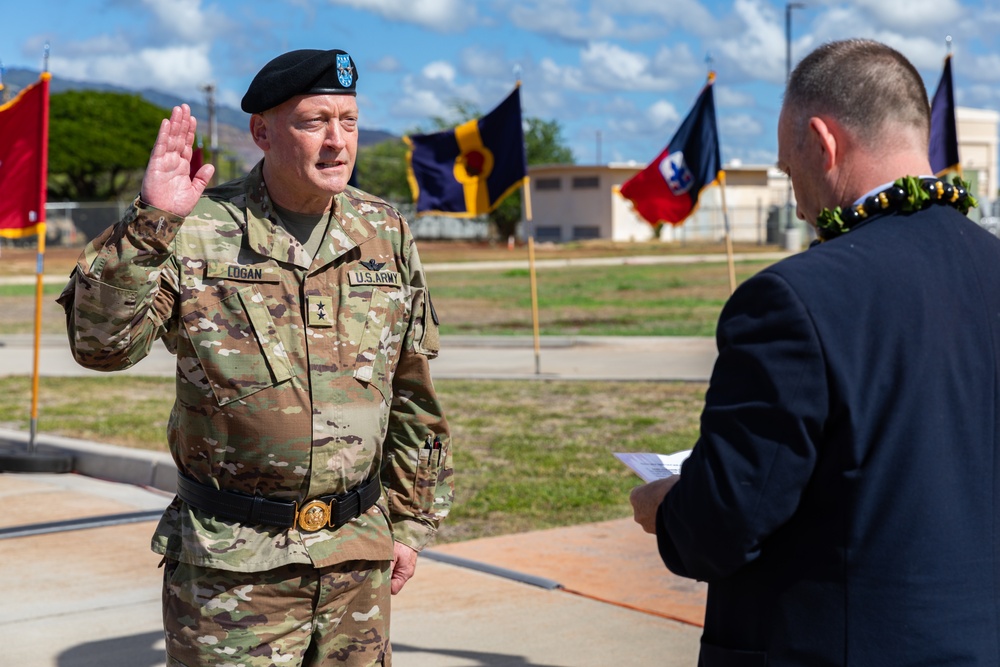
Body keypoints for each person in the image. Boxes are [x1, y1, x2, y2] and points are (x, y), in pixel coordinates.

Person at [58, 48, 453, 667]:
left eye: (348, 121)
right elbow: (102, 348)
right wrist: (150, 223)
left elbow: (412, 391)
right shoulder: (194, 229)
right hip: (233, 572)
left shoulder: (385, 230)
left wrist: (409, 522)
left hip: (357, 559)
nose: (337, 142)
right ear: (262, 132)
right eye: (314, 121)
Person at [630, 38, 1000, 666]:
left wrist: (669, 508)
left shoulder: (791, 299)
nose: (795, 198)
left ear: (824, 143)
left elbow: (725, 520)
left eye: (786, 167)